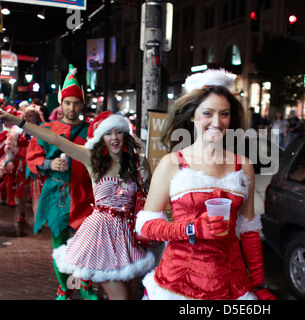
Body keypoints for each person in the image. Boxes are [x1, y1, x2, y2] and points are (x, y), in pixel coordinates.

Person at [135, 69, 276, 300]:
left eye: (224, 114)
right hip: (178, 286)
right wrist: (191, 228)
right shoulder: (172, 163)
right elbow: (147, 226)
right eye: (207, 113)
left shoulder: (244, 165)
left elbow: (249, 231)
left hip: (232, 285)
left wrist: (260, 284)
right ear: (192, 116)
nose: (217, 122)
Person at [1, 106, 156, 300]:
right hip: (102, 236)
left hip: (129, 237)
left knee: (132, 297)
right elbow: (54, 139)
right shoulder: (92, 158)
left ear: (125, 134)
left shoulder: (139, 162)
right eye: (108, 133)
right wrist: (18, 122)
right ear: (101, 138)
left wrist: (145, 179)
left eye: (118, 131)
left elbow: (149, 198)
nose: (114, 137)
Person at [25, 65, 98, 300]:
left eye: (76, 102)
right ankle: (64, 288)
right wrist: (49, 164)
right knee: (59, 247)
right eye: (68, 102)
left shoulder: (92, 131)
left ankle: (84, 287)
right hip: (56, 194)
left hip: (85, 194)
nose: (72, 107)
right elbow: (32, 157)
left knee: (85, 246)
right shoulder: (48, 129)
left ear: (82, 104)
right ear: (61, 104)